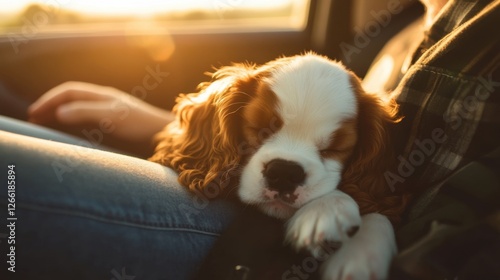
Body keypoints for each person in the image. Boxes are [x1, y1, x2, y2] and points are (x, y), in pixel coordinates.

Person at [0, 0, 498, 279]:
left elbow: (421, 197)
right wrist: (162, 124)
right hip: (235, 190)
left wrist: (375, 228)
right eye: (263, 131)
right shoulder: (408, 28)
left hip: (262, 246)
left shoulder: (486, 28)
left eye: (330, 147)